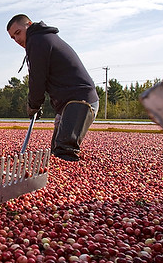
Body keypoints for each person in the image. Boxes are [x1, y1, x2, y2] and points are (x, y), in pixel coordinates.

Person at [7, 14, 99, 161]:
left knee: (65, 152)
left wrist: (34, 105)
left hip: (81, 102)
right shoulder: (41, 39)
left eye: (18, 33)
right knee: (56, 152)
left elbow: (37, 79)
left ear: (29, 24)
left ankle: (71, 179)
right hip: (68, 105)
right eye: (13, 38)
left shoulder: (37, 40)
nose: (17, 40)